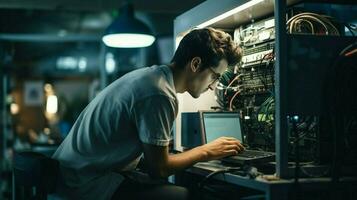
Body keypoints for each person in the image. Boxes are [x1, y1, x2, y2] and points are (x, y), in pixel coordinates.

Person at [52, 27, 244, 200]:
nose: (213, 86)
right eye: (215, 76)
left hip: (72, 175)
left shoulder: (151, 77)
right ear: (195, 64)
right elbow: (159, 169)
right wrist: (207, 150)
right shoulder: (160, 94)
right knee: (183, 195)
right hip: (85, 184)